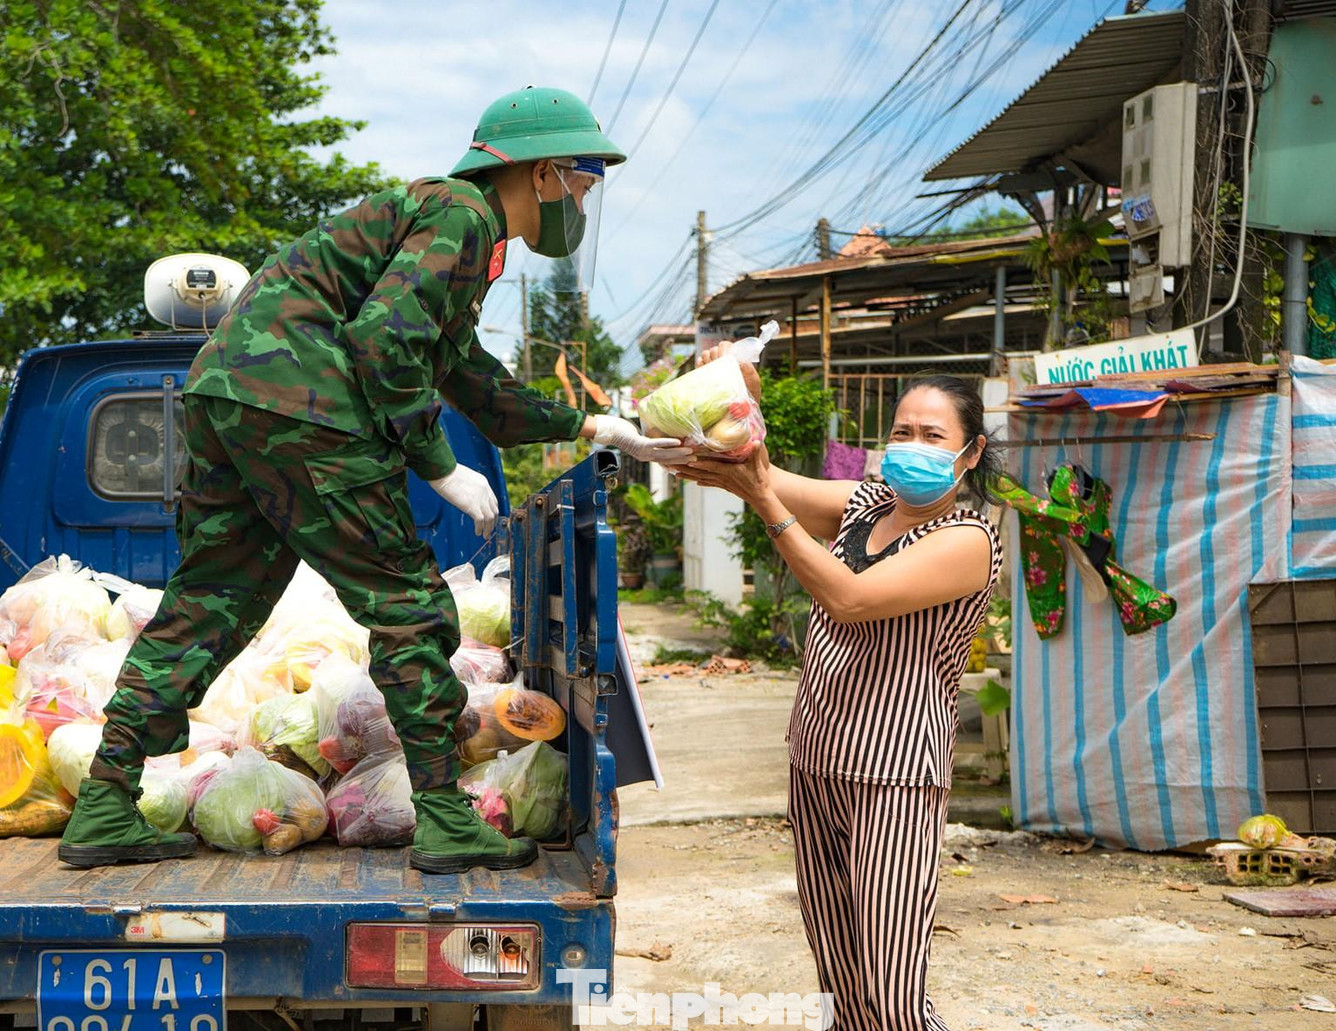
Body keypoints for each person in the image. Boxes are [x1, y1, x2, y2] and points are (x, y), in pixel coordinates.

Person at [58, 86, 690, 873]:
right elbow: (386, 341)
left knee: (210, 601)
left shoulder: (449, 226)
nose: (583, 201)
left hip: (227, 392)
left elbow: (466, 372)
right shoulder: (464, 215)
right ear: (542, 173)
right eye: (583, 182)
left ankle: (106, 800)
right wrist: (438, 462)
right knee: (410, 606)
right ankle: (446, 817)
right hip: (302, 400)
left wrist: (592, 426)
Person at [675, 369, 1002, 1031]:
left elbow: (848, 598)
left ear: (971, 453)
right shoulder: (868, 503)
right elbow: (761, 474)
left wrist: (768, 505)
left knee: (891, 985)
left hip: (894, 771)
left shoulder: (967, 538)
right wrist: (735, 404)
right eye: (902, 432)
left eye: (933, 435)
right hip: (817, 758)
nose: (912, 445)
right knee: (841, 974)